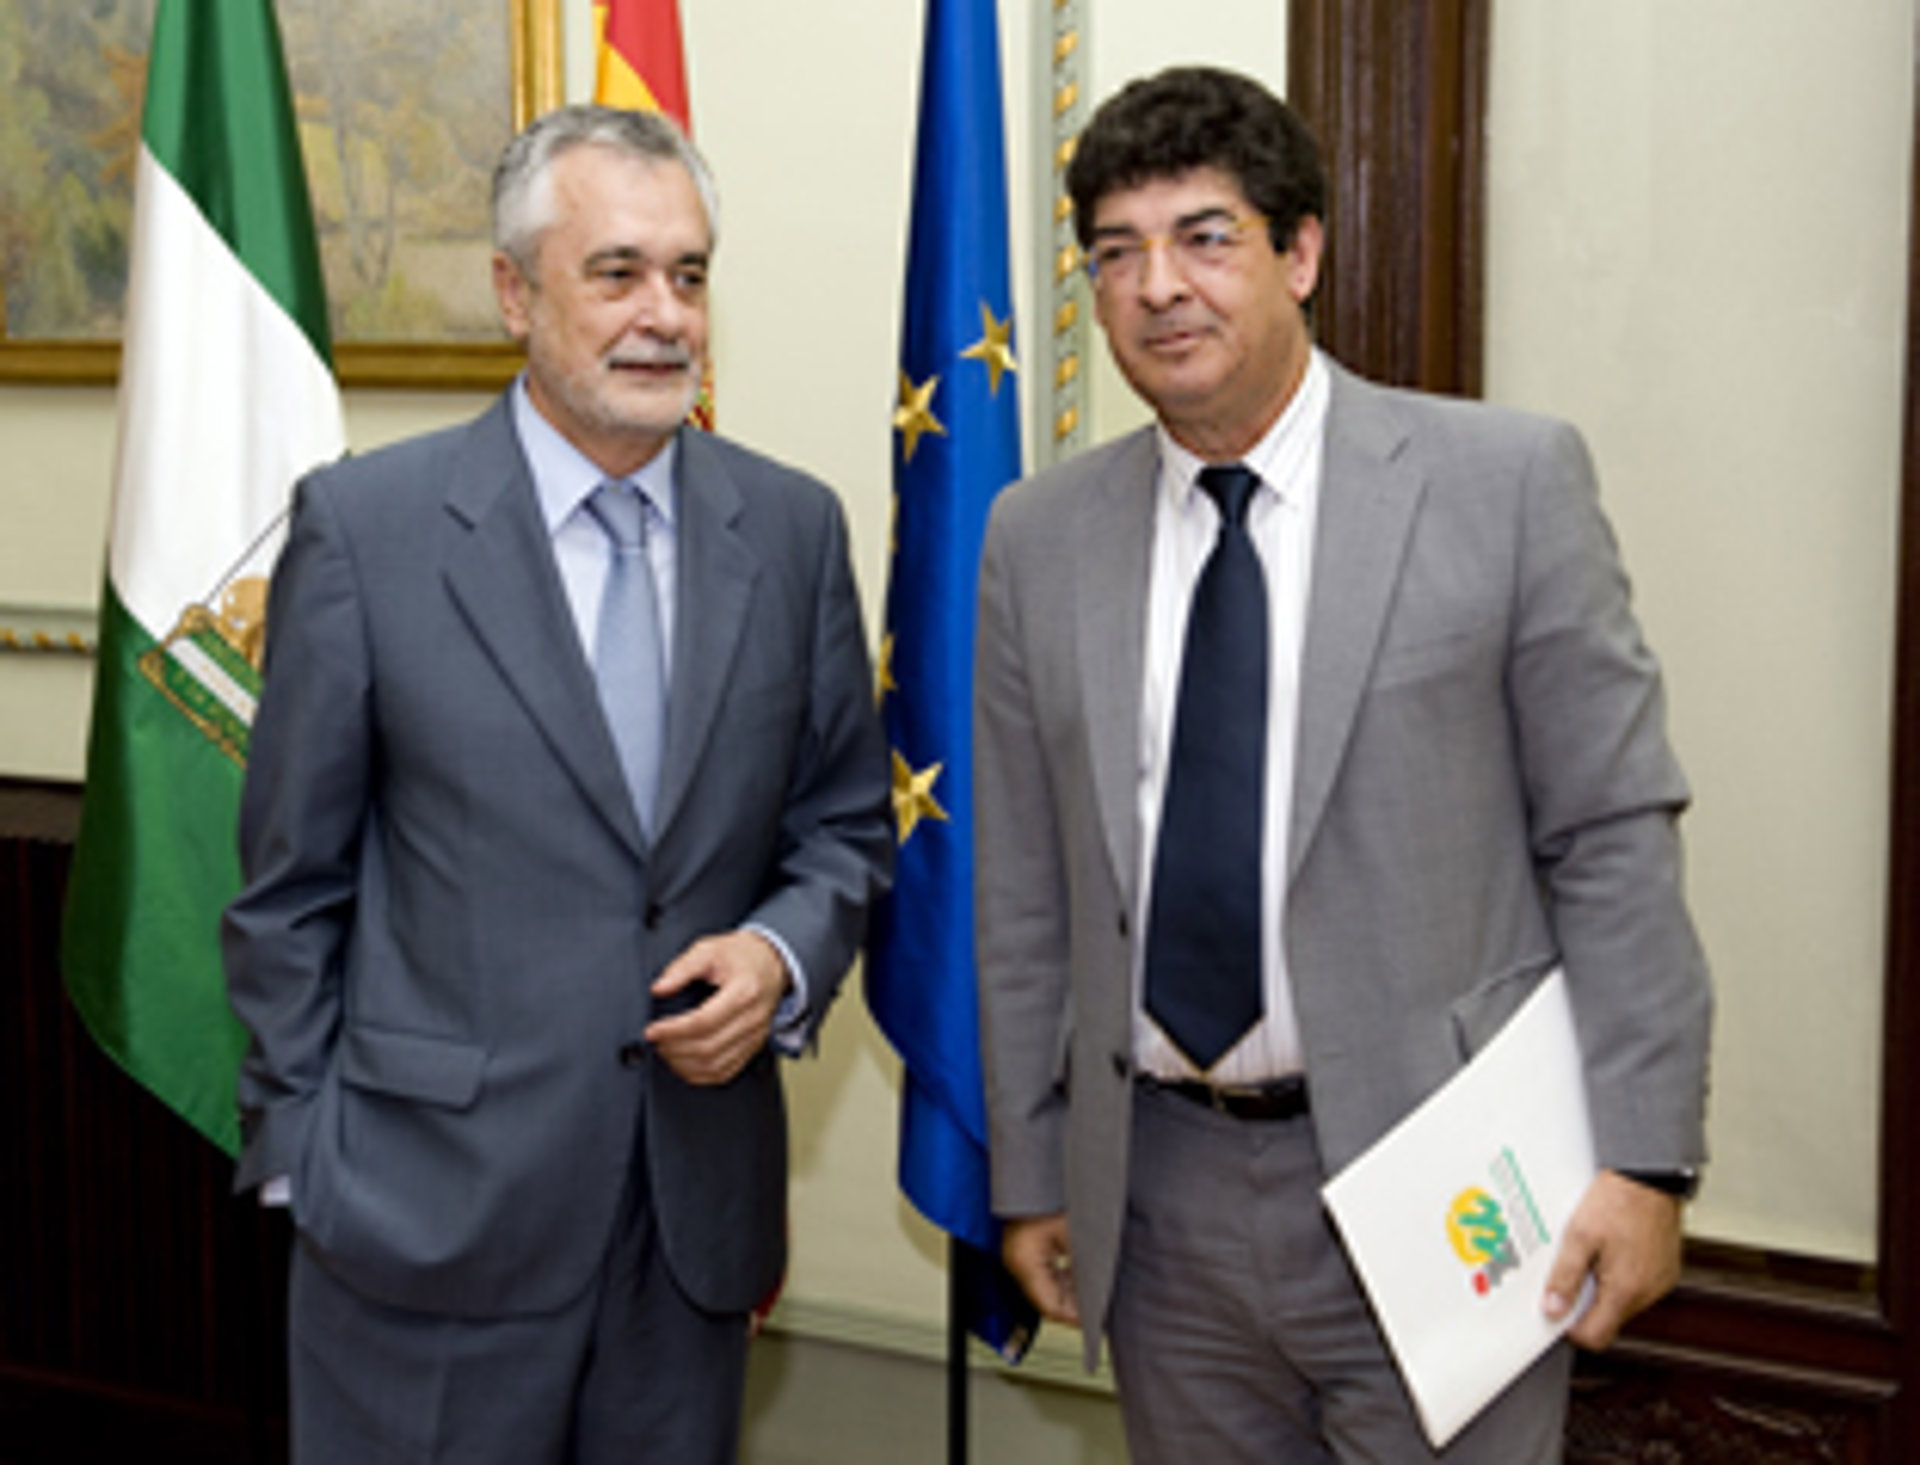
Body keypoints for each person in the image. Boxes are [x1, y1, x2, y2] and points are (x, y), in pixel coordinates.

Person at [973, 66, 1711, 1462]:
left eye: (1205, 237)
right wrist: (1031, 1167)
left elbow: (1612, 836)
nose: (1158, 287)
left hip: (1451, 1187)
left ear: (1301, 252)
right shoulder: (1037, 537)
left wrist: (1647, 1156)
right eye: (1117, 253)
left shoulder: (1505, 484)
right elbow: (1022, 890)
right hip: (1165, 1201)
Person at [223, 104, 892, 1464]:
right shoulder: (369, 530)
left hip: (687, 1231)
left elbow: (844, 828)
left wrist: (778, 956)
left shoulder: (790, 528)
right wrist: (307, 1162)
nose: (666, 316)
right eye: (618, 273)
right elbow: (290, 886)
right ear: (515, 292)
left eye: (689, 275)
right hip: (421, 1225)